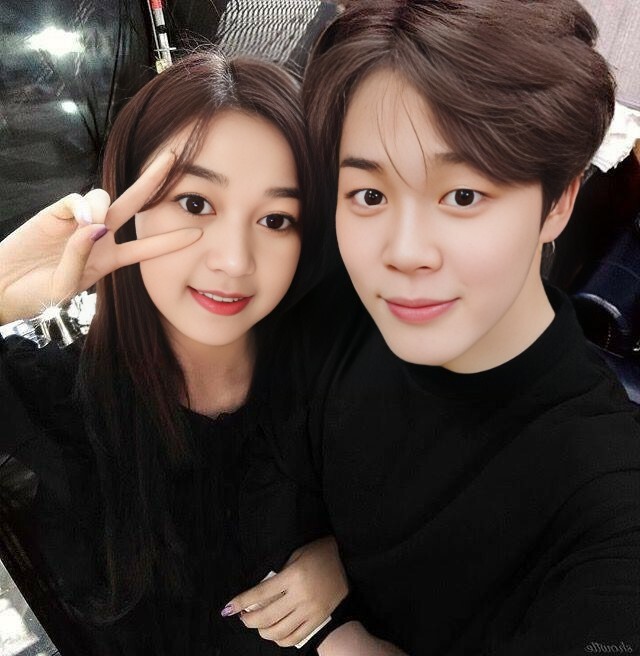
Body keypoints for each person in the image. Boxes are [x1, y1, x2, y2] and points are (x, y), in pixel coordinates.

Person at [230, 1, 640, 654]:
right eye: (369, 195)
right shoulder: (335, 311)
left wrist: (341, 638)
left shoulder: (607, 493)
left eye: (463, 196)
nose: (404, 252)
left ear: (558, 201)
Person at [0, 51, 347, 655]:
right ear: (128, 208)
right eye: (195, 204)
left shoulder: (338, 383)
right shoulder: (51, 398)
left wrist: (349, 557)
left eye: (276, 219)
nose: (233, 260)